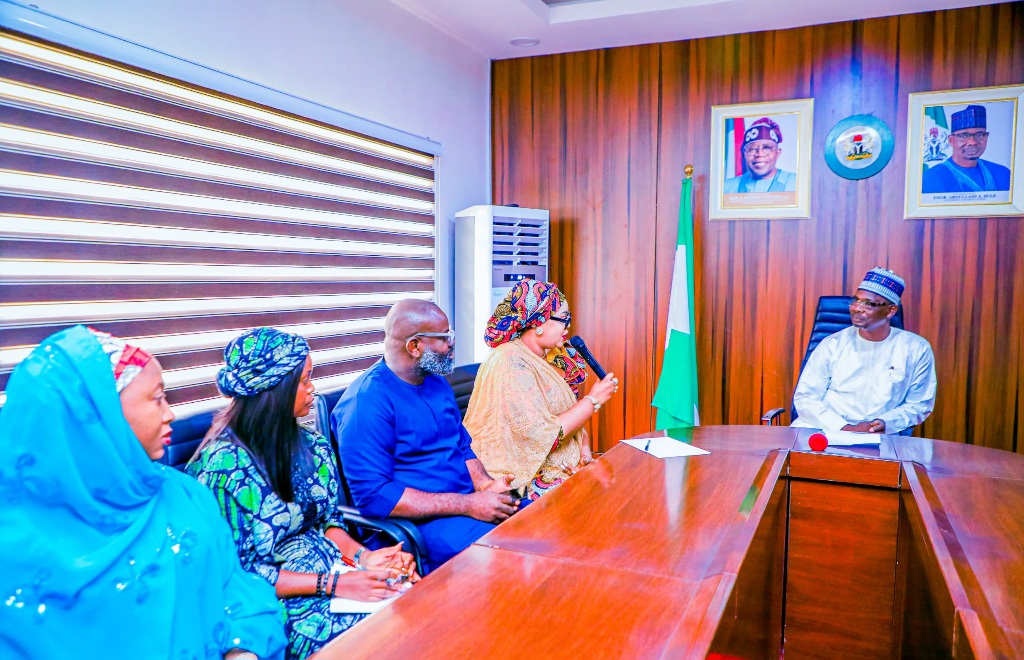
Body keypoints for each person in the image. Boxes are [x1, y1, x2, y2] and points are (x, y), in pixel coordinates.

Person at [0, 325, 286, 660]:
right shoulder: (14, 548)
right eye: (157, 398)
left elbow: (235, 589)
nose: (170, 414)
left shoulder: (184, 495)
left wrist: (243, 650)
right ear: (95, 417)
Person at [187, 327, 415, 660]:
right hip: (273, 604)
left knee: (416, 602)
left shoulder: (312, 444)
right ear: (275, 389)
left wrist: (365, 559)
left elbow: (328, 522)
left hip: (336, 573)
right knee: (390, 637)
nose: (313, 390)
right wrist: (334, 585)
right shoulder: (223, 469)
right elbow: (240, 574)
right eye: (305, 380)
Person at [333, 299, 520, 573]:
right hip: (417, 527)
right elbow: (375, 496)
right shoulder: (366, 403)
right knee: (516, 552)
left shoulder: (436, 382)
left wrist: (485, 486)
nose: (452, 343)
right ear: (415, 346)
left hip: (465, 505)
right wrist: (469, 504)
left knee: (540, 521)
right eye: (444, 338)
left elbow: (462, 447)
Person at [463, 280, 618, 501]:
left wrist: (584, 456)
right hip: (520, 481)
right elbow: (542, 436)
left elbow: (572, 420)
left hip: (561, 466)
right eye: (563, 319)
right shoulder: (511, 362)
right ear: (538, 323)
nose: (568, 327)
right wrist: (592, 400)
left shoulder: (546, 357)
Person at [791, 268, 937, 434]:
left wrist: (885, 423)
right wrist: (844, 427)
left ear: (891, 311)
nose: (857, 308)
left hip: (877, 434)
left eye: (868, 304)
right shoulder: (832, 344)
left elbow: (919, 404)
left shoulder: (916, 349)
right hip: (822, 428)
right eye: (855, 301)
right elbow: (806, 397)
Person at [922, 104, 1011, 194]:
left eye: (980, 135)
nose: (972, 142)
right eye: (964, 135)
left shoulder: (1003, 173)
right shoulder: (931, 178)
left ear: (986, 137)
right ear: (951, 140)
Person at [723, 117, 797, 194]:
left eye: (767, 148)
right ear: (744, 154)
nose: (760, 154)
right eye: (752, 149)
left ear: (777, 153)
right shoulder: (726, 188)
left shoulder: (797, 183)